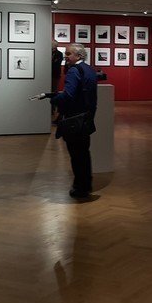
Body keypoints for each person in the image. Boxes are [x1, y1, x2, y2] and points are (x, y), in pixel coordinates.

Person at [48, 43, 97, 199]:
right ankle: (86, 185)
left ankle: (80, 188)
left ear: (79, 55)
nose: (66, 57)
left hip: (74, 119)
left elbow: (68, 95)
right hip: (86, 118)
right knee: (84, 154)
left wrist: (54, 99)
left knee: (76, 155)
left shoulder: (74, 70)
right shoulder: (89, 69)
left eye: (69, 54)